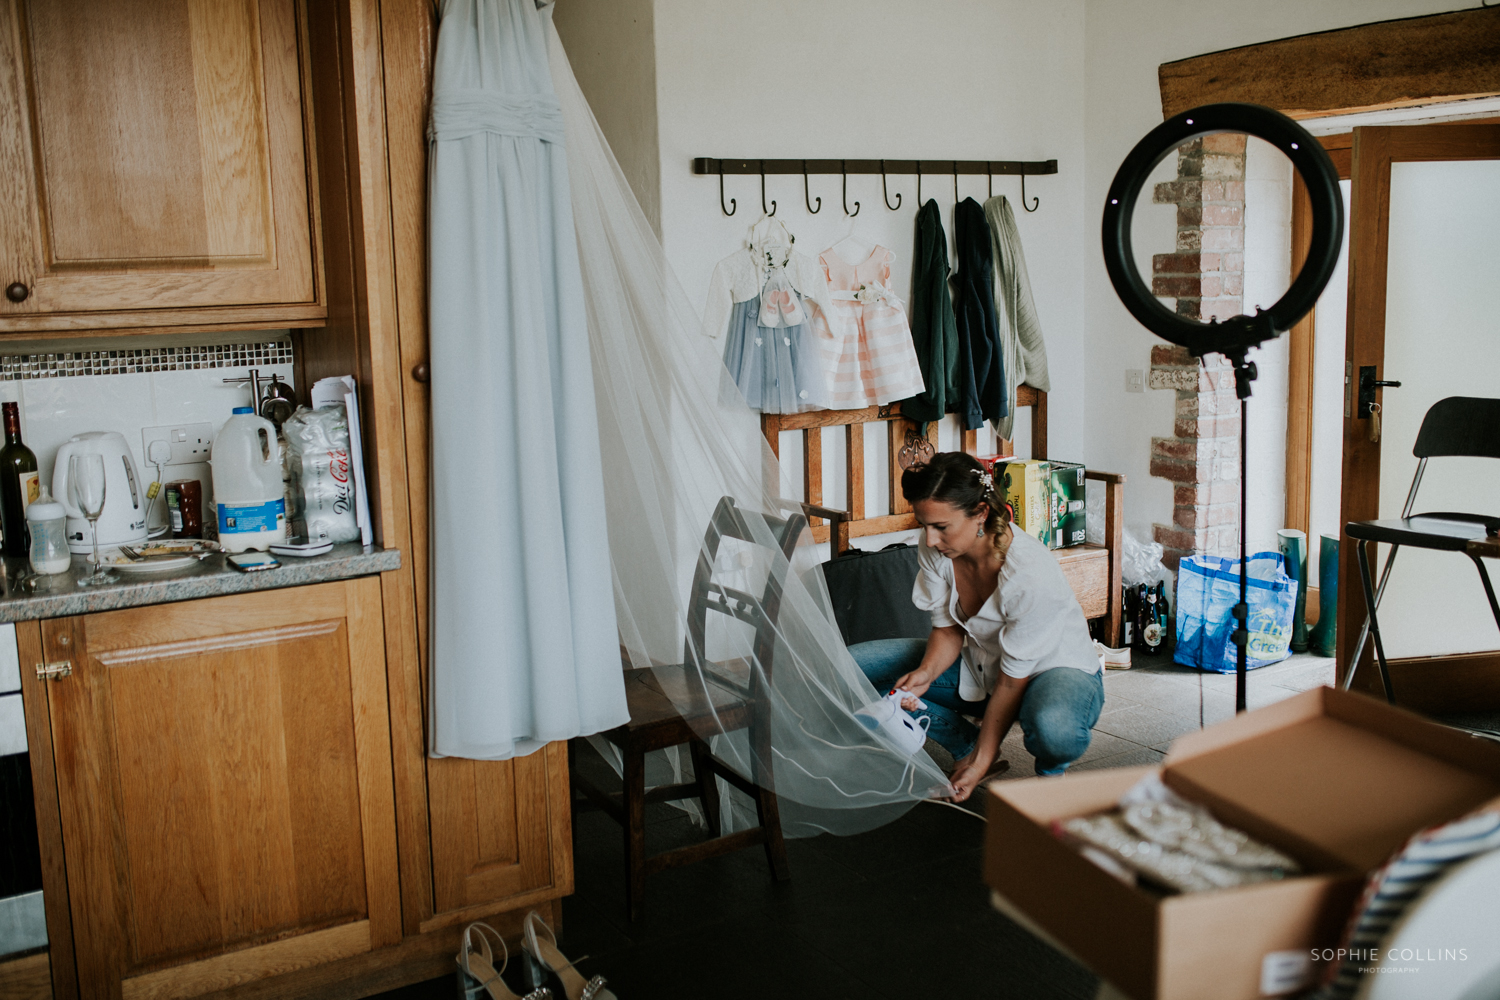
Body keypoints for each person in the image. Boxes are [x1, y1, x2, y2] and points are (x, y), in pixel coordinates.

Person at [851, 452, 1103, 801]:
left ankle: (1050, 776)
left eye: (941, 527)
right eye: (923, 525)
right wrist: (926, 672)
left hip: (1053, 671)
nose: (930, 539)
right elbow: (948, 629)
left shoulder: (1028, 574)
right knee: (851, 668)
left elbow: (1012, 682)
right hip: (984, 665)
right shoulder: (939, 549)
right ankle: (965, 745)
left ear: (981, 513)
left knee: (1054, 729)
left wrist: (981, 766)